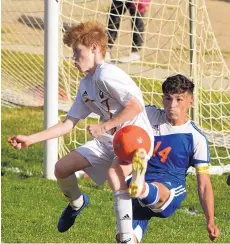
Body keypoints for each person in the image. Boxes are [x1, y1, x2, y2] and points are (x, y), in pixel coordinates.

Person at [8, 20, 153, 240]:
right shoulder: (86, 84)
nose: (74, 59)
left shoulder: (107, 74)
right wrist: (31, 139)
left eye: (77, 52)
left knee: (115, 174)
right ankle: (77, 203)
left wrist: (105, 125)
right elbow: (68, 123)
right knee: (61, 168)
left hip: (135, 138)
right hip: (110, 140)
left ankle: (125, 236)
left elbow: (136, 106)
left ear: (95, 48)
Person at [115, 74, 221, 243]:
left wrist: (210, 220)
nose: (172, 105)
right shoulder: (148, 115)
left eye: (179, 99)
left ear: (190, 102)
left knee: (153, 188)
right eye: (168, 99)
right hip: (139, 190)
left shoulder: (195, 137)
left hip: (170, 189)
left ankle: (140, 186)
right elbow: (121, 110)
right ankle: (139, 185)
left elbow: (204, 184)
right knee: (125, 240)